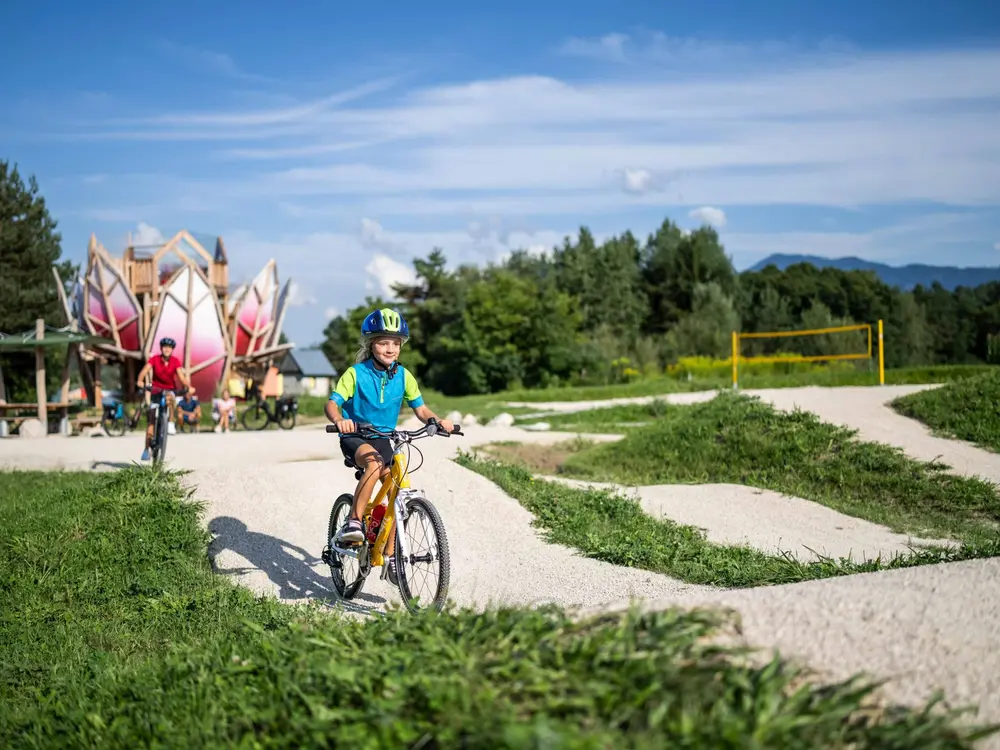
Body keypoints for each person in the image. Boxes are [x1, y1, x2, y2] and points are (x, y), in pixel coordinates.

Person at [324, 307, 453, 585]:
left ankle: (393, 556)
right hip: (356, 436)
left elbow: (421, 408)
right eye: (383, 342)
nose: (390, 348)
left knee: (398, 489)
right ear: (371, 345)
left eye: (395, 343)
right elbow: (332, 403)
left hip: (384, 438)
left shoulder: (404, 376)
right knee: (372, 463)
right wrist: (339, 420)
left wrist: (437, 421)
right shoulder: (355, 373)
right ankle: (354, 523)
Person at [135, 337, 191, 461]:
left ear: (172, 350)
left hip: (169, 389)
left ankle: (170, 422)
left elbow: (181, 376)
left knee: (170, 397)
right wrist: (140, 380)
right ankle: (146, 449)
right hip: (155, 390)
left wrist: (188, 386)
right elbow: (145, 370)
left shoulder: (175, 361)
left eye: (169, 347)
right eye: (165, 347)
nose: (167, 349)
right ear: (161, 348)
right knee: (151, 421)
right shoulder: (154, 359)